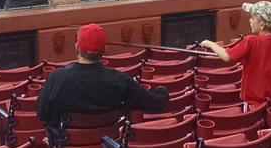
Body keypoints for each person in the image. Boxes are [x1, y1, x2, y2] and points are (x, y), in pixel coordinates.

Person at [35, 24, 170, 127]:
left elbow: (42, 113)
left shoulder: (57, 78)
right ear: (105, 50)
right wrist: (162, 90)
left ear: (77, 48)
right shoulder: (119, 80)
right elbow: (157, 102)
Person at [198, 1, 271, 105]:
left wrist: (210, 44)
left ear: (261, 25)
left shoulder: (251, 41)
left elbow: (227, 57)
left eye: (253, 18)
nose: (250, 20)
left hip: (253, 103)